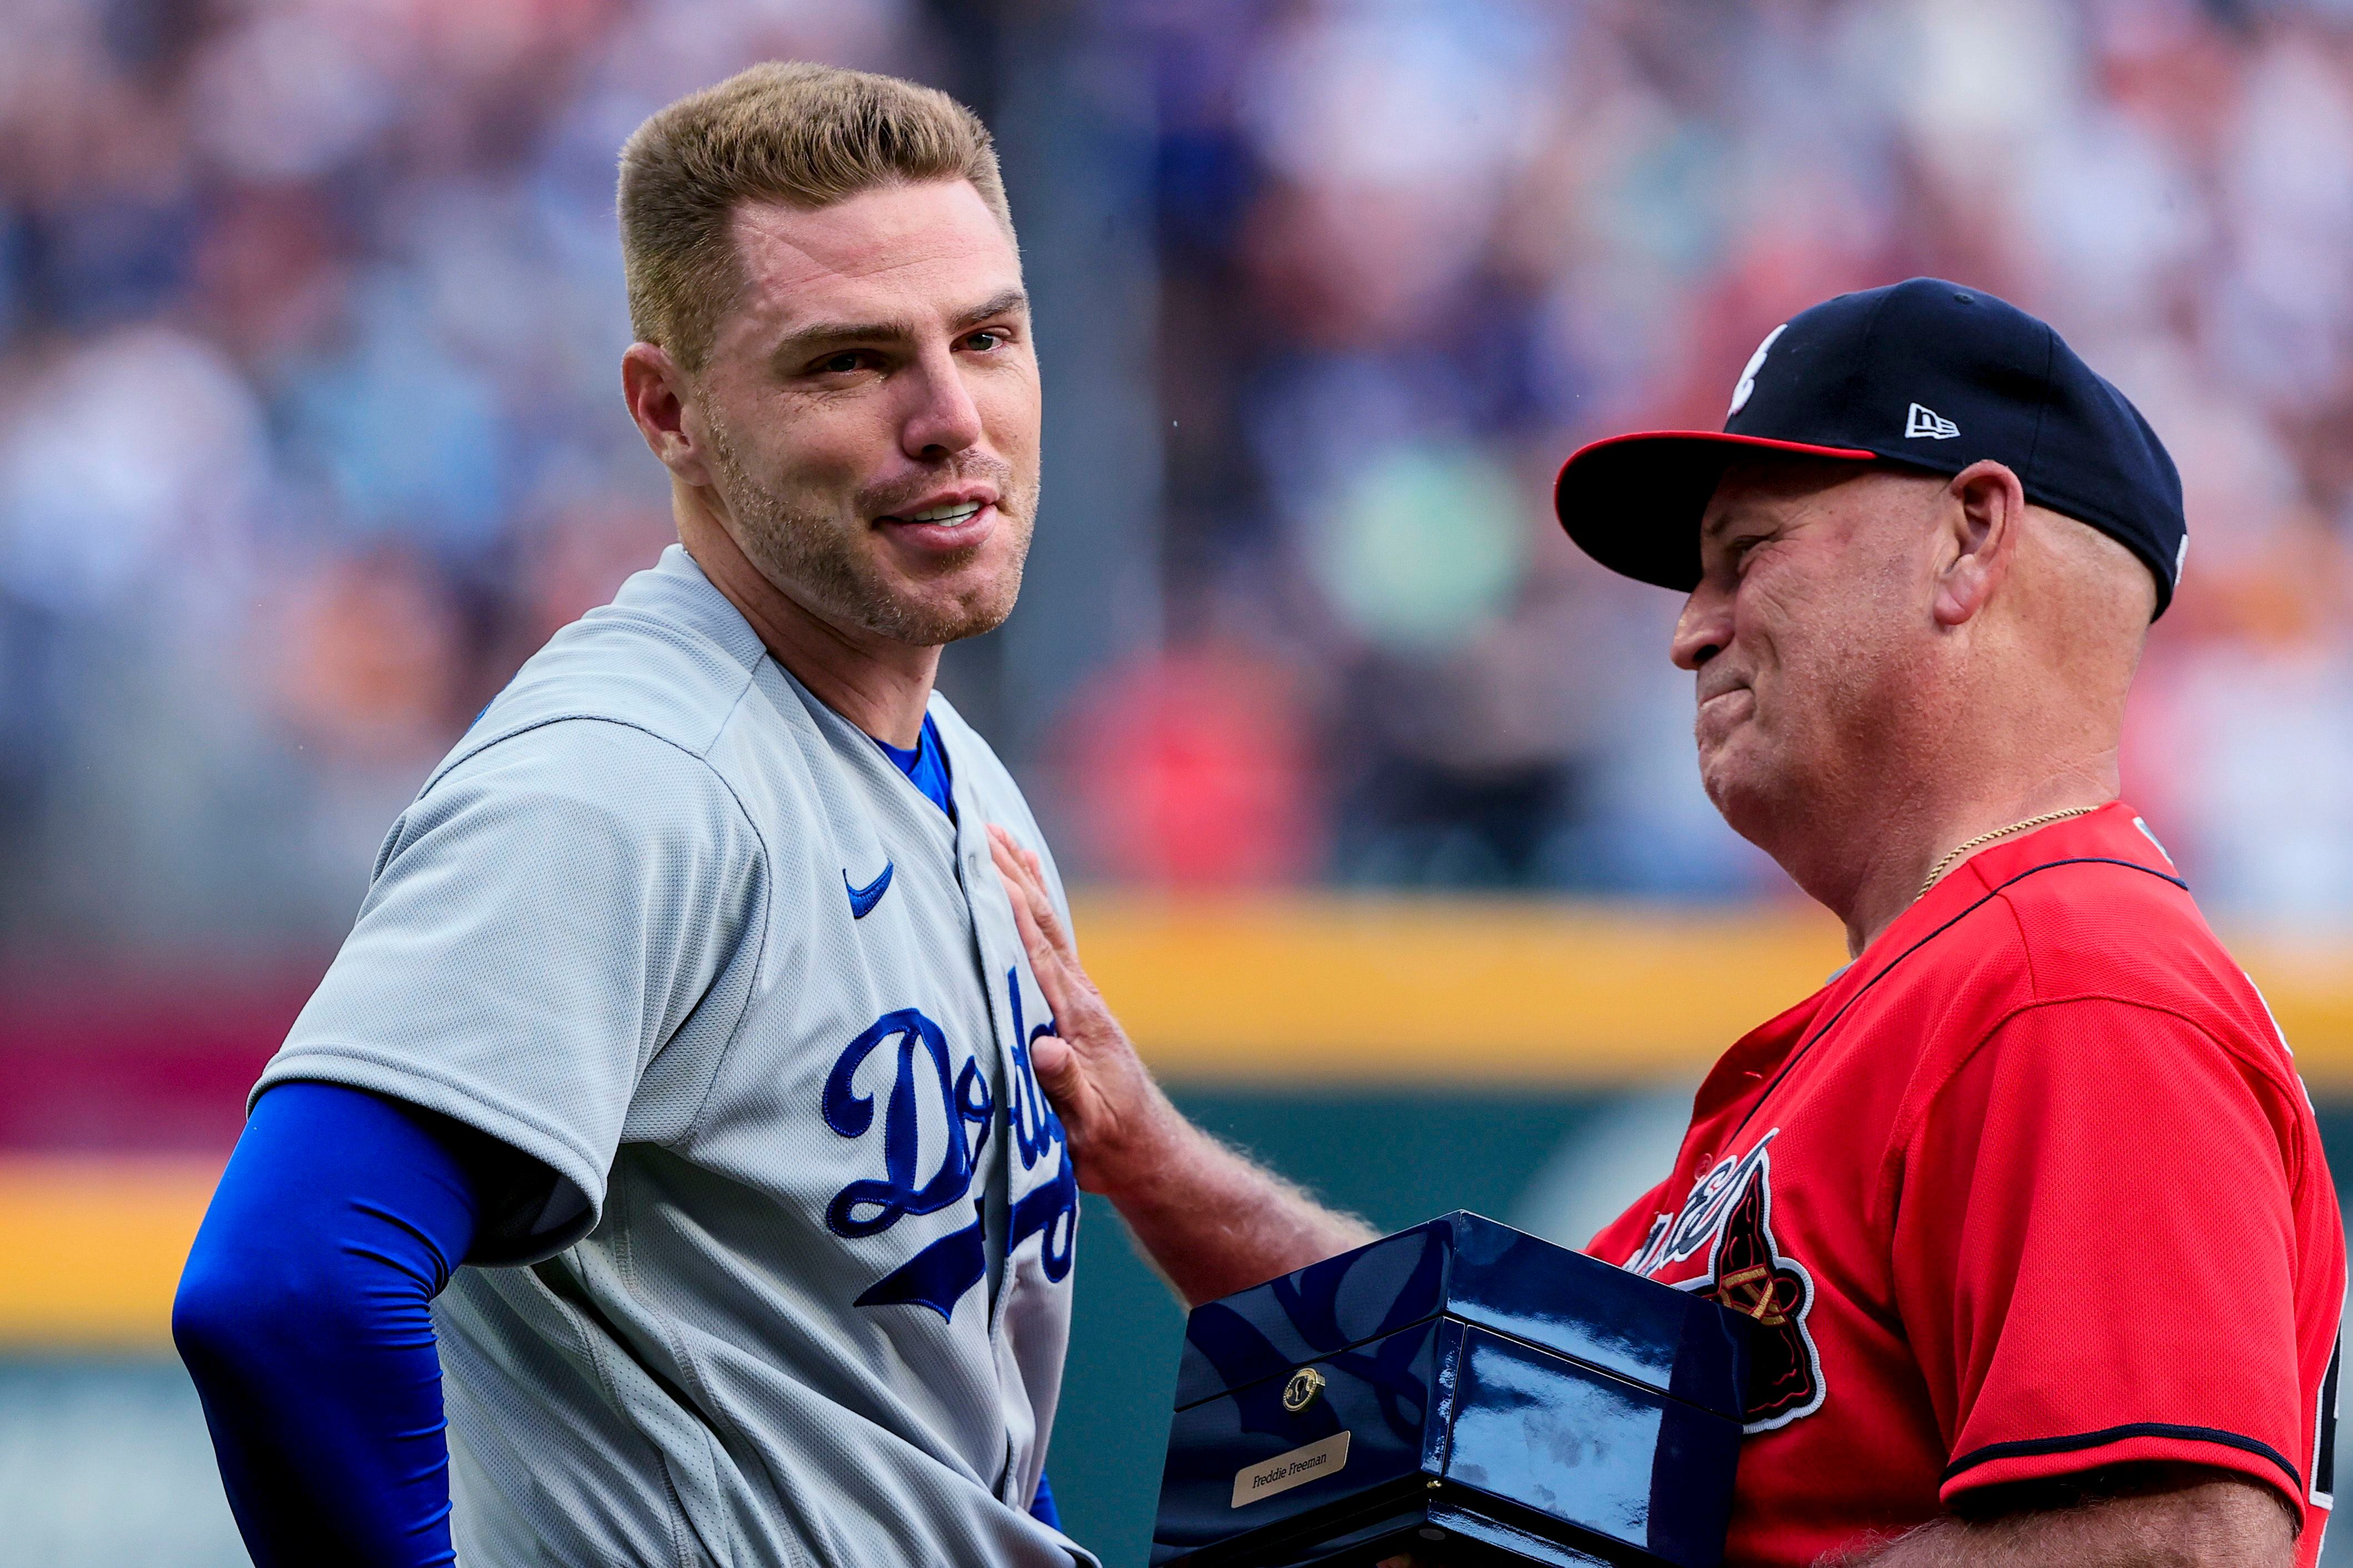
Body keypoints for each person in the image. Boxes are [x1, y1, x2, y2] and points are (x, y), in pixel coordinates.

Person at [172, 62, 1367, 1567]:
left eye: (986, 338)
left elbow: (946, 1434)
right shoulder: (625, 772)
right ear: (667, 411)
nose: (949, 418)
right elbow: (288, 1287)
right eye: (850, 363)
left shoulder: (954, 769)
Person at [992, 279, 2346, 1567]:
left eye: (1745, 555)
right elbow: (1483, 1400)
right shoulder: (1913, 1012)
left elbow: (2176, 1536)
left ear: (1971, 536)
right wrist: (1153, 1156)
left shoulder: (2072, 978)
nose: (1689, 631)